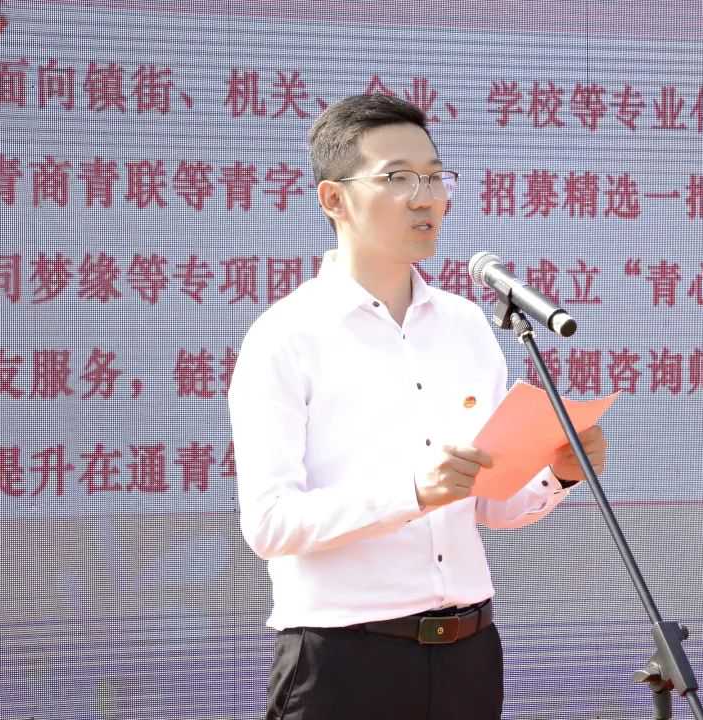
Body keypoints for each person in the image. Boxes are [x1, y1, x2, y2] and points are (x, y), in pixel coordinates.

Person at [227, 93, 608, 720]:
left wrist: (557, 473)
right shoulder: (286, 335)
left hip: (468, 655)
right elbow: (270, 525)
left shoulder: (465, 325)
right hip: (345, 663)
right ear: (334, 199)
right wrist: (413, 493)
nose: (427, 197)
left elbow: (490, 503)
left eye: (434, 177)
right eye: (398, 178)